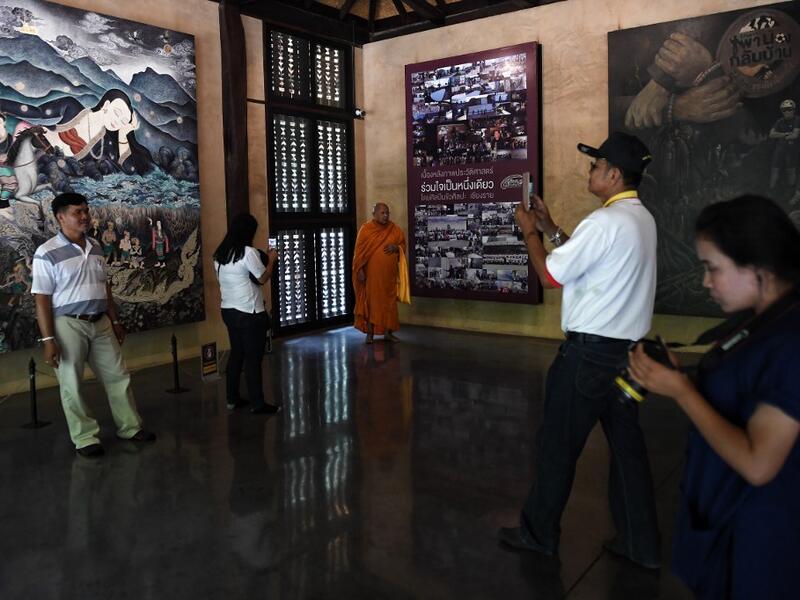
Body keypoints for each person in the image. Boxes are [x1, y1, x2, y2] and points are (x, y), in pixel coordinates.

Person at [498, 132, 661, 569]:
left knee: (556, 446)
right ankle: (639, 543)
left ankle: (538, 534)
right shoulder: (640, 219)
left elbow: (552, 276)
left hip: (587, 359)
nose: (590, 172)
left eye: (595, 165)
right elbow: (584, 260)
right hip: (627, 357)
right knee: (628, 454)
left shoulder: (604, 222)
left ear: (613, 174)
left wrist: (529, 232)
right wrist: (551, 227)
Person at [627, 195, 800, 599]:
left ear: (760, 268)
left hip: (761, 538)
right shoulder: (760, 323)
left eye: (713, 268)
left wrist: (683, 392)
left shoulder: (791, 342)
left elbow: (759, 464)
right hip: (725, 515)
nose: (705, 282)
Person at [31, 192, 155, 458]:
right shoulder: (46, 253)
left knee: (118, 376)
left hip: (101, 322)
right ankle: (85, 437)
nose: (85, 216)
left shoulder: (96, 247)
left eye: (86, 210)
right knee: (72, 384)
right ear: (60, 217)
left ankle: (130, 427)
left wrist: (116, 319)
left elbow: (105, 287)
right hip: (68, 325)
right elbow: (41, 299)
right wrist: (48, 340)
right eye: (77, 212)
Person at [213, 213, 280, 415]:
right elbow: (262, 278)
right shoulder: (247, 252)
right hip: (250, 312)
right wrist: (272, 260)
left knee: (237, 355)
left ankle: (232, 399)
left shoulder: (219, 254)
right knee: (253, 358)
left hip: (229, 310)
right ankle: (258, 404)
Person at [352, 202, 409, 344]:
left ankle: (388, 333)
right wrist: (359, 270)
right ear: (375, 214)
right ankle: (370, 334)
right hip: (372, 277)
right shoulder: (366, 230)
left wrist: (396, 247)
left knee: (389, 304)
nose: (386, 216)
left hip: (389, 277)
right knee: (372, 304)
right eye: (382, 213)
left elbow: (403, 245)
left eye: (387, 213)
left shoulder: (394, 229)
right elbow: (358, 254)